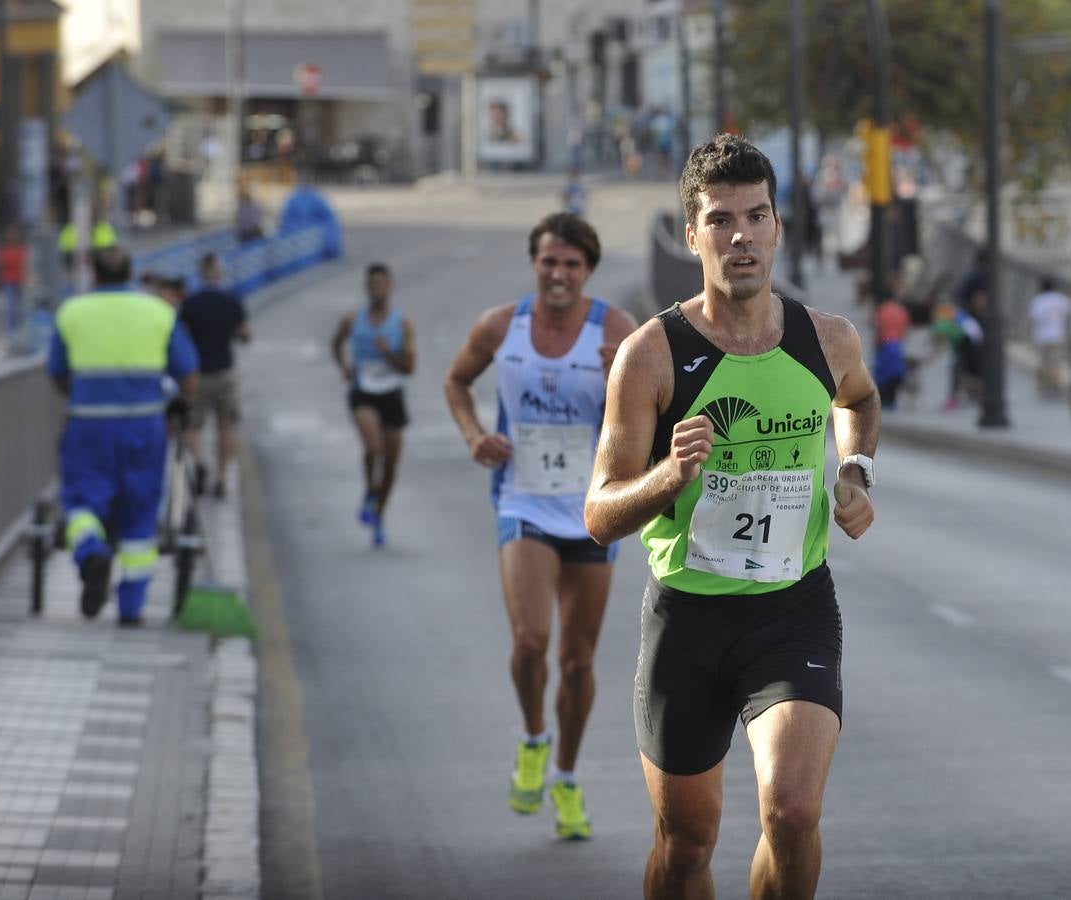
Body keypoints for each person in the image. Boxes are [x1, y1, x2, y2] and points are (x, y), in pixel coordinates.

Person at [584, 135, 879, 898]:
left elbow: (861, 400)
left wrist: (853, 470)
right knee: (685, 847)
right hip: (687, 621)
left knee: (792, 812)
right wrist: (668, 477)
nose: (739, 236)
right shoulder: (651, 354)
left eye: (755, 217)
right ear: (692, 236)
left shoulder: (828, 339)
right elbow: (598, 515)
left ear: (778, 226)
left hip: (793, 610)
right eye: (720, 220)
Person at [444, 212, 637, 840]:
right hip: (523, 500)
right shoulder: (503, 326)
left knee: (577, 663)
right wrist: (475, 435)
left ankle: (567, 777)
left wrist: (620, 381)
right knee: (531, 641)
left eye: (572, 265)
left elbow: (658, 412)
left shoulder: (615, 330)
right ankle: (533, 737)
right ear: (536, 263)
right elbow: (455, 380)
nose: (558, 275)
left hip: (590, 510)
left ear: (588, 272)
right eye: (549, 262)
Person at [47, 246, 199, 625]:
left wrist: (80, 395)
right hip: (144, 427)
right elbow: (188, 374)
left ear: (93, 274)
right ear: (132, 272)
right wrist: (181, 402)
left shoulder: (72, 312)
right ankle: (131, 608)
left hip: (89, 426)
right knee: (140, 511)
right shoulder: (159, 312)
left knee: (82, 500)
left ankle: (89, 550)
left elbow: (57, 371)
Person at [331, 263, 416, 548]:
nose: (377, 289)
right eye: (372, 284)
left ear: (390, 287)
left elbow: (410, 367)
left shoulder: (402, 324)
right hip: (363, 391)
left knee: (391, 464)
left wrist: (388, 353)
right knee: (373, 446)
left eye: (382, 283)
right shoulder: (352, 320)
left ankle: (379, 515)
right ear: (366, 288)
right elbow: (335, 343)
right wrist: (343, 366)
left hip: (392, 392)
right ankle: (369, 490)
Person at [179, 253, 251, 498]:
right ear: (219, 273)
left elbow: (182, 337)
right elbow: (245, 335)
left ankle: (199, 462)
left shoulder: (190, 304)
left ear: (200, 274)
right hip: (225, 372)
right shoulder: (232, 302)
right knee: (226, 428)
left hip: (197, 374)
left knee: (193, 426)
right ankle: (221, 478)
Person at [1027, 276, 1071, 399]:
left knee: (1044, 362)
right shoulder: (1059, 299)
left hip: (1041, 336)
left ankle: (1045, 386)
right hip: (1057, 335)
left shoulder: (1038, 300)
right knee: (1055, 361)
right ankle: (1055, 385)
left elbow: (1033, 319)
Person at [874, 291, 911, 409]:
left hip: (885, 344)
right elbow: (905, 329)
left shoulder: (882, 309)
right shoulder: (901, 311)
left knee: (882, 374)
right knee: (895, 373)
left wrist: (876, 344)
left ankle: (883, 401)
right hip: (897, 345)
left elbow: (878, 328)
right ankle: (891, 401)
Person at [0, 225, 27, 351]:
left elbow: (26, 265)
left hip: (19, 281)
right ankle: (10, 333)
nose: (12, 237)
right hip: (8, 281)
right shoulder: (3, 250)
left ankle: (19, 331)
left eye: (14, 235)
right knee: (9, 308)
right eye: (10, 235)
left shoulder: (21, 249)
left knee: (20, 307)